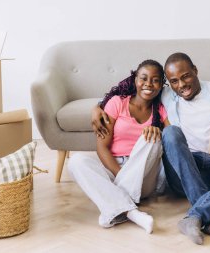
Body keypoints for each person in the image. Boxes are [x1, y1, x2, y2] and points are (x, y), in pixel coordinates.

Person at [92, 53, 210, 244]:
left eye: (185, 76)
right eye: (174, 81)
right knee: (171, 133)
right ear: (168, 83)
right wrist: (98, 106)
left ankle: (197, 215)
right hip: (182, 170)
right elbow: (129, 88)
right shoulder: (165, 94)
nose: (181, 85)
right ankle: (209, 213)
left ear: (195, 70)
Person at [69, 59, 169, 234]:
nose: (148, 84)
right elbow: (102, 147)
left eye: (155, 80)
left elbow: (171, 139)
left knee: (153, 136)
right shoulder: (117, 103)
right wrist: (121, 175)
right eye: (143, 78)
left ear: (161, 84)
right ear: (135, 80)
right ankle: (133, 213)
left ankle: (114, 203)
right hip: (115, 168)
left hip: (143, 176)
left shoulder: (160, 110)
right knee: (76, 161)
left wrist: (158, 131)